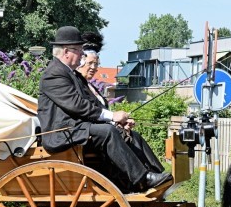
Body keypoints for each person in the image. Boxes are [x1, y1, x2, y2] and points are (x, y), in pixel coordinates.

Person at [38, 26, 172, 192]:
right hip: (62, 133)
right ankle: (142, 179)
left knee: (129, 134)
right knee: (108, 132)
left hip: (77, 129)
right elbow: (77, 105)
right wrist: (112, 116)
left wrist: (117, 121)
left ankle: (156, 174)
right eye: (79, 50)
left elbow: (91, 104)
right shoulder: (54, 74)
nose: (82, 54)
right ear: (66, 51)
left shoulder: (73, 75)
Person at [76, 33, 165, 177]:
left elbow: (100, 113)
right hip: (89, 136)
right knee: (118, 135)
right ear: (80, 62)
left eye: (96, 64)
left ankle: (156, 172)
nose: (94, 67)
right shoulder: (78, 86)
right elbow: (86, 112)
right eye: (90, 64)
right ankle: (143, 178)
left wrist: (120, 123)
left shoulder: (92, 87)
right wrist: (113, 120)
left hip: (100, 131)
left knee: (134, 136)